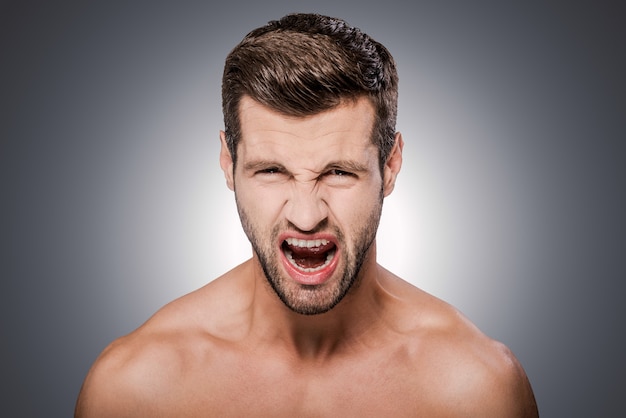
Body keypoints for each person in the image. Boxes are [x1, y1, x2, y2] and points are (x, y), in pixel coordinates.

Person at [75, 13, 538, 417]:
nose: (305, 214)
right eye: (272, 171)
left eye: (338, 172)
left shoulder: (474, 389)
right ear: (227, 163)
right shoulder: (136, 388)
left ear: (391, 167)